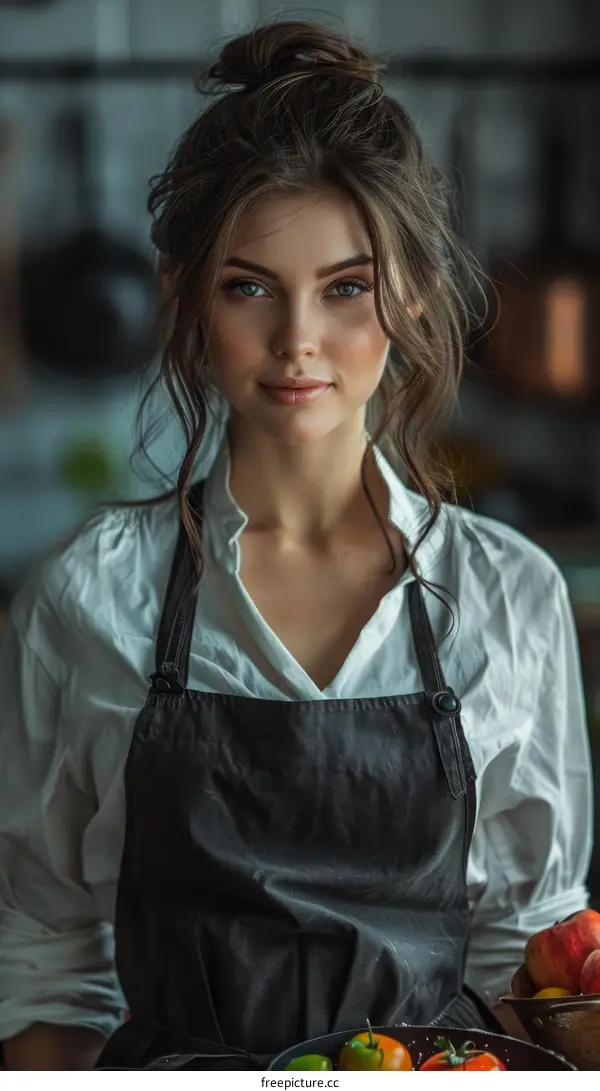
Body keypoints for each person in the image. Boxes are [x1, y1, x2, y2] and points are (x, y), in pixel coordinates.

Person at [0, 20, 593, 1072]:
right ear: (183, 294)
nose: (298, 341)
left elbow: (525, 952)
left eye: (346, 287)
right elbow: (48, 951)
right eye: (250, 285)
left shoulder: (509, 596)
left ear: (409, 294)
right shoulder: (89, 598)